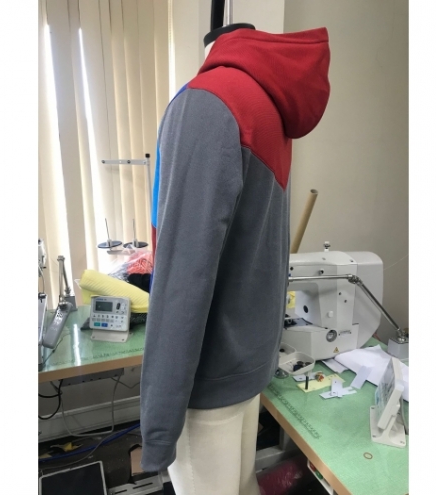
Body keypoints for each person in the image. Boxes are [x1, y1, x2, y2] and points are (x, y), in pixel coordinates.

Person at [140, 23, 331, 495]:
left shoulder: (207, 104)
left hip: (206, 377)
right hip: (246, 364)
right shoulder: (265, 103)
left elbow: (184, 275)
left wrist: (158, 427)